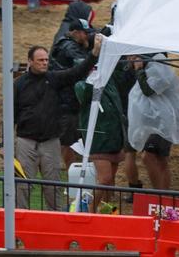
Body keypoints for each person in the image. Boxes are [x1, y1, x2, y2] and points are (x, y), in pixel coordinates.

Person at [13, 37, 103, 210]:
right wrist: (4, 144)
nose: (44, 63)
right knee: (22, 186)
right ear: (30, 61)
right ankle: (18, 222)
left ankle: (56, 221)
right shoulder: (19, 85)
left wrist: (94, 54)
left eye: (46, 60)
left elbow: (77, 72)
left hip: (50, 142)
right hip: (25, 142)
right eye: (40, 60)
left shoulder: (54, 79)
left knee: (53, 186)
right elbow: (11, 114)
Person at [127, 53, 179, 190]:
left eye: (131, 55)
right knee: (161, 160)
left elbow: (149, 90)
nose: (128, 59)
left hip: (162, 122)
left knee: (148, 157)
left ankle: (159, 195)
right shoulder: (152, 65)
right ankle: (163, 195)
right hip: (156, 121)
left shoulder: (157, 65)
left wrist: (139, 70)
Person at [74, 63, 128, 212]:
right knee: (104, 179)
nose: (97, 71)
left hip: (115, 137)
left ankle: (105, 211)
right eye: (94, 68)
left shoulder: (110, 82)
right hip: (99, 140)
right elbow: (85, 96)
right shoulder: (81, 85)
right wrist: (92, 80)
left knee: (110, 182)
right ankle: (89, 210)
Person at [49, 18, 92, 170]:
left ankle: (73, 171)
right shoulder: (68, 47)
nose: (86, 36)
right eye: (84, 33)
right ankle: (71, 174)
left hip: (68, 100)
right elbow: (83, 66)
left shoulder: (66, 44)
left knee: (72, 140)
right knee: (68, 141)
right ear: (75, 32)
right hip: (66, 102)